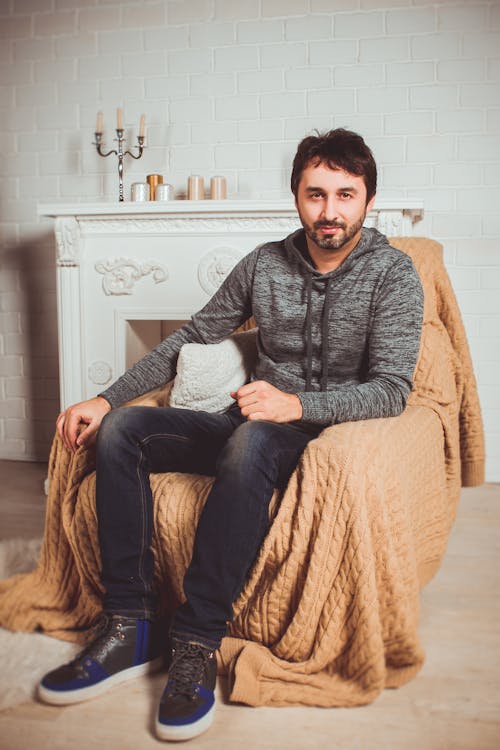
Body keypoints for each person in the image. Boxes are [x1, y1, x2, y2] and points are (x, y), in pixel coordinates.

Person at [38, 128, 424, 741]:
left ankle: (195, 642)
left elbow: (392, 389)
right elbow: (190, 337)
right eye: (315, 193)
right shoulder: (264, 264)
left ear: (369, 201)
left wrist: (295, 404)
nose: (330, 211)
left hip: (317, 436)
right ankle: (129, 627)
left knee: (251, 441)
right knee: (124, 431)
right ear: (295, 196)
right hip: (245, 421)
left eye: (345, 195)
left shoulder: (393, 275)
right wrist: (106, 398)